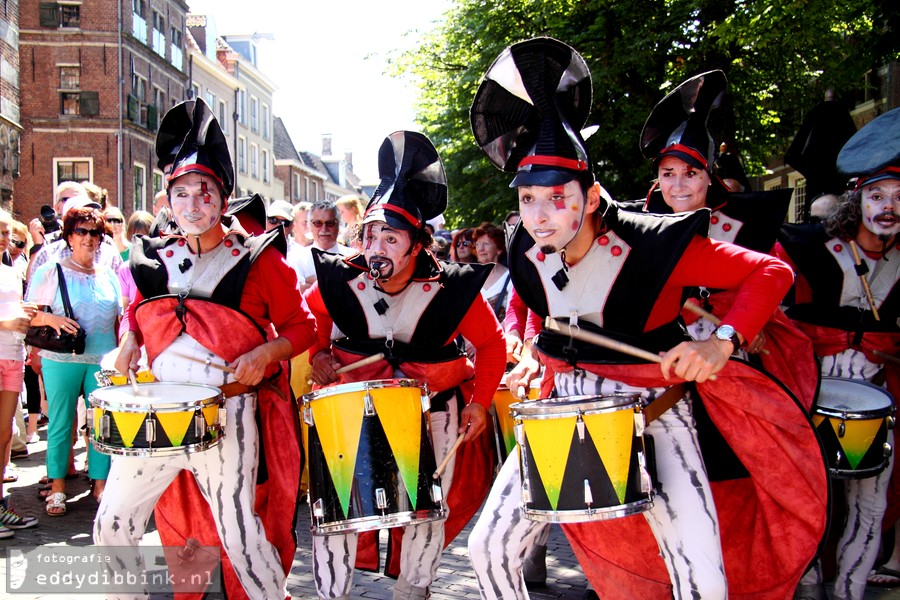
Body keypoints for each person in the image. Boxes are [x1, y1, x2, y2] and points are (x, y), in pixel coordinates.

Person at [467, 37, 827, 599]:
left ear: (589, 198)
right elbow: (546, 322)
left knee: (700, 575)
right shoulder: (521, 248)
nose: (539, 217)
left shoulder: (656, 243)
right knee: (487, 548)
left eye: (555, 198)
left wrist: (722, 342)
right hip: (562, 413)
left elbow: (769, 274)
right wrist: (532, 356)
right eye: (527, 200)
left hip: (658, 414)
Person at [95, 98, 315, 599]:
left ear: (223, 197)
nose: (192, 203)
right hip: (160, 415)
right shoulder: (151, 258)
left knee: (240, 535)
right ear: (167, 200)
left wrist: (265, 355)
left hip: (230, 411)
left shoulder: (260, 261)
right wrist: (131, 339)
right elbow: (141, 312)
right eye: (181, 193)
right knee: (112, 524)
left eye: (204, 191)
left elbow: (304, 329)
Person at [304, 130, 505, 600]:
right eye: (371, 234)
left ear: (417, 245)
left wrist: (480, 403)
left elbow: (492, 346)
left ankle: (413, 592)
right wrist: (317, 353)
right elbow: (314, 317)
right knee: (335, 509)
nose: (376, 247)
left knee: (425, 511)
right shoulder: (341, 278)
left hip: (434, 414)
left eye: (390, 237)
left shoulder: (451, 288)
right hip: (353, 412)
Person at [776, 106, 900, 599]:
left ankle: (847, 592)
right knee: (810, 500)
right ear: (857, 199)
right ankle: (806, 588)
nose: (888, 207)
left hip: (875, 393)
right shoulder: (805, 246)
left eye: (898, 197)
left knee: (870, 503)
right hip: (810, 388)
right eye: (877, 196)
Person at [26, 204, 121, 514]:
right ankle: (57, 487)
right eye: (81, 231)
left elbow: (121, 319)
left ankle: (100, 484)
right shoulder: (49, 271)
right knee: (61, 422)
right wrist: (51, 321)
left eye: (96, 233)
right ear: (68, 236)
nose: (89, 238)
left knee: (101, 425)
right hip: (62, 358)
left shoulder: (109, 274)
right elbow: (26, 316)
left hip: (103, 359)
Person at [0, 209, 39, 535]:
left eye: (5, 232)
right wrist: (6, 322)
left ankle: (1, 506)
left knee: (3, 436)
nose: (4, 239)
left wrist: (24, 313)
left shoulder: (10, 271)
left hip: (12, 355)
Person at [292, 201, 354, 293]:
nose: (324, 229)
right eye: (318, 223)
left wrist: (316, 283)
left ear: (339, 225)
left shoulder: (353, 257)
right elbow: (298, 293)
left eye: (330, 223)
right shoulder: (297, 259)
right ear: (309, 225)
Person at [472, 222, 512, 323]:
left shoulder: (510, 278)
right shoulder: (471, 279)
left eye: (485, 244)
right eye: (477, 244)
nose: (480, 249)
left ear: (498, 249)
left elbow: (514, 314)